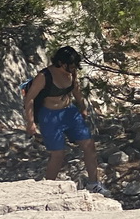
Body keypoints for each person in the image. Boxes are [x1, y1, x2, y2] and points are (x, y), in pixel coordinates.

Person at [23, 46, 109, 195]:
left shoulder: (71, 73)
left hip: (69, 113)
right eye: (71, 65)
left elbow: (76, 91)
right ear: (61, 62)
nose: (73, 68)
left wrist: (82, 107)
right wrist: (30, 122)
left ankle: (94, 183)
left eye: (75, 65)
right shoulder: (44, 76)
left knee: (89, 145)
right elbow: (29, 98)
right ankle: (48, 189)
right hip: (50, 117)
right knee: (58, 154)